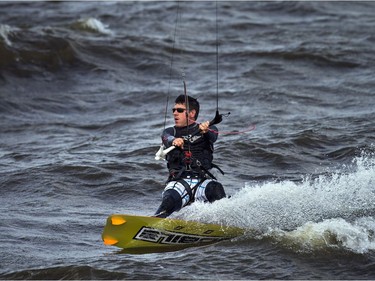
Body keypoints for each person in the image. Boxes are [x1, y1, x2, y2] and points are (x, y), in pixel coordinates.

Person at [155, 94, 226, 218]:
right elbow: (166, 138)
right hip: (179, 182)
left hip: (202, 182)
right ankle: (153, 223)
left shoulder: (209, 128)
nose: (175, 113)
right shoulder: (170, 132)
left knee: (216, 189)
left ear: (192, 113)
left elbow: (213, 136)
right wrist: (174, 141)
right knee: (169, 199)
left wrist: (206, 130)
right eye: (174, 110)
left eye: (180, 110)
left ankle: (229, 224)